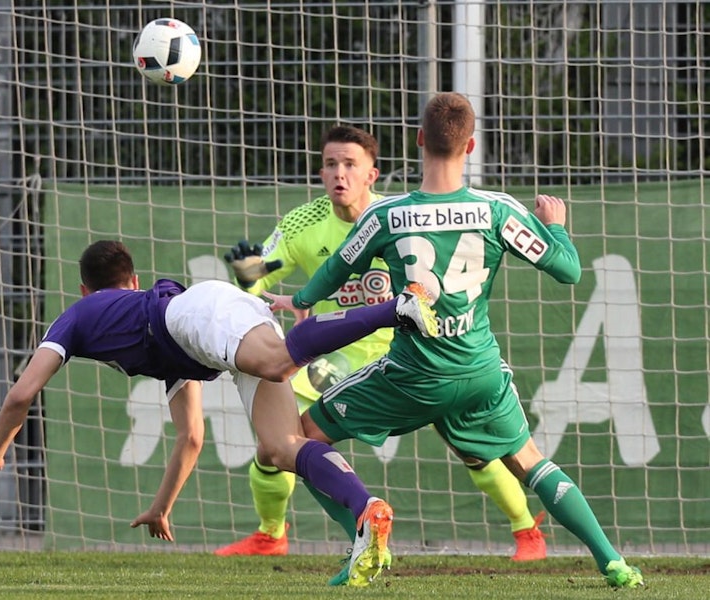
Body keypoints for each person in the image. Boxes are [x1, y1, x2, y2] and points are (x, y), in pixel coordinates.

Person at [271, 92, 644, 589]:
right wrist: (557, 229)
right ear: (470, 145)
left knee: (297, 439)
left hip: (410, 375)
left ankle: (362, 539)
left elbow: (325, 282)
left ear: (420, 140)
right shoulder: (496, 211)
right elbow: (569, 271)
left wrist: (298, 299)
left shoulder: (386, 217)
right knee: (529, 460)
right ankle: (612, 562)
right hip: (478, 373)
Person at [0, 239, 437, 587]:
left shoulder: (78, 316)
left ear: (86, 290)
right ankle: (365, 513)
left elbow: (20, 394)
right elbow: (191, 435)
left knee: (277, 361)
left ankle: (396, 307)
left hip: (202, 316)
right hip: (208, 327)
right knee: (280, 447)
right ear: (132, 281)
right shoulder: (152, 344)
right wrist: (161, 507)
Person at [217, 125, 547, 572]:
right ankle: (270, 535)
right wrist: (246, 271)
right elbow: (261, 278)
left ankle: (527, 530)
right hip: (336, 357)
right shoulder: (302, 223)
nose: (340, 174)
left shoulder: (396, 217)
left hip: (414, 352)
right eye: (331, 164)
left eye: (350, 164)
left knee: (477, 450)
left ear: (373, 173)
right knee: (276, 444)